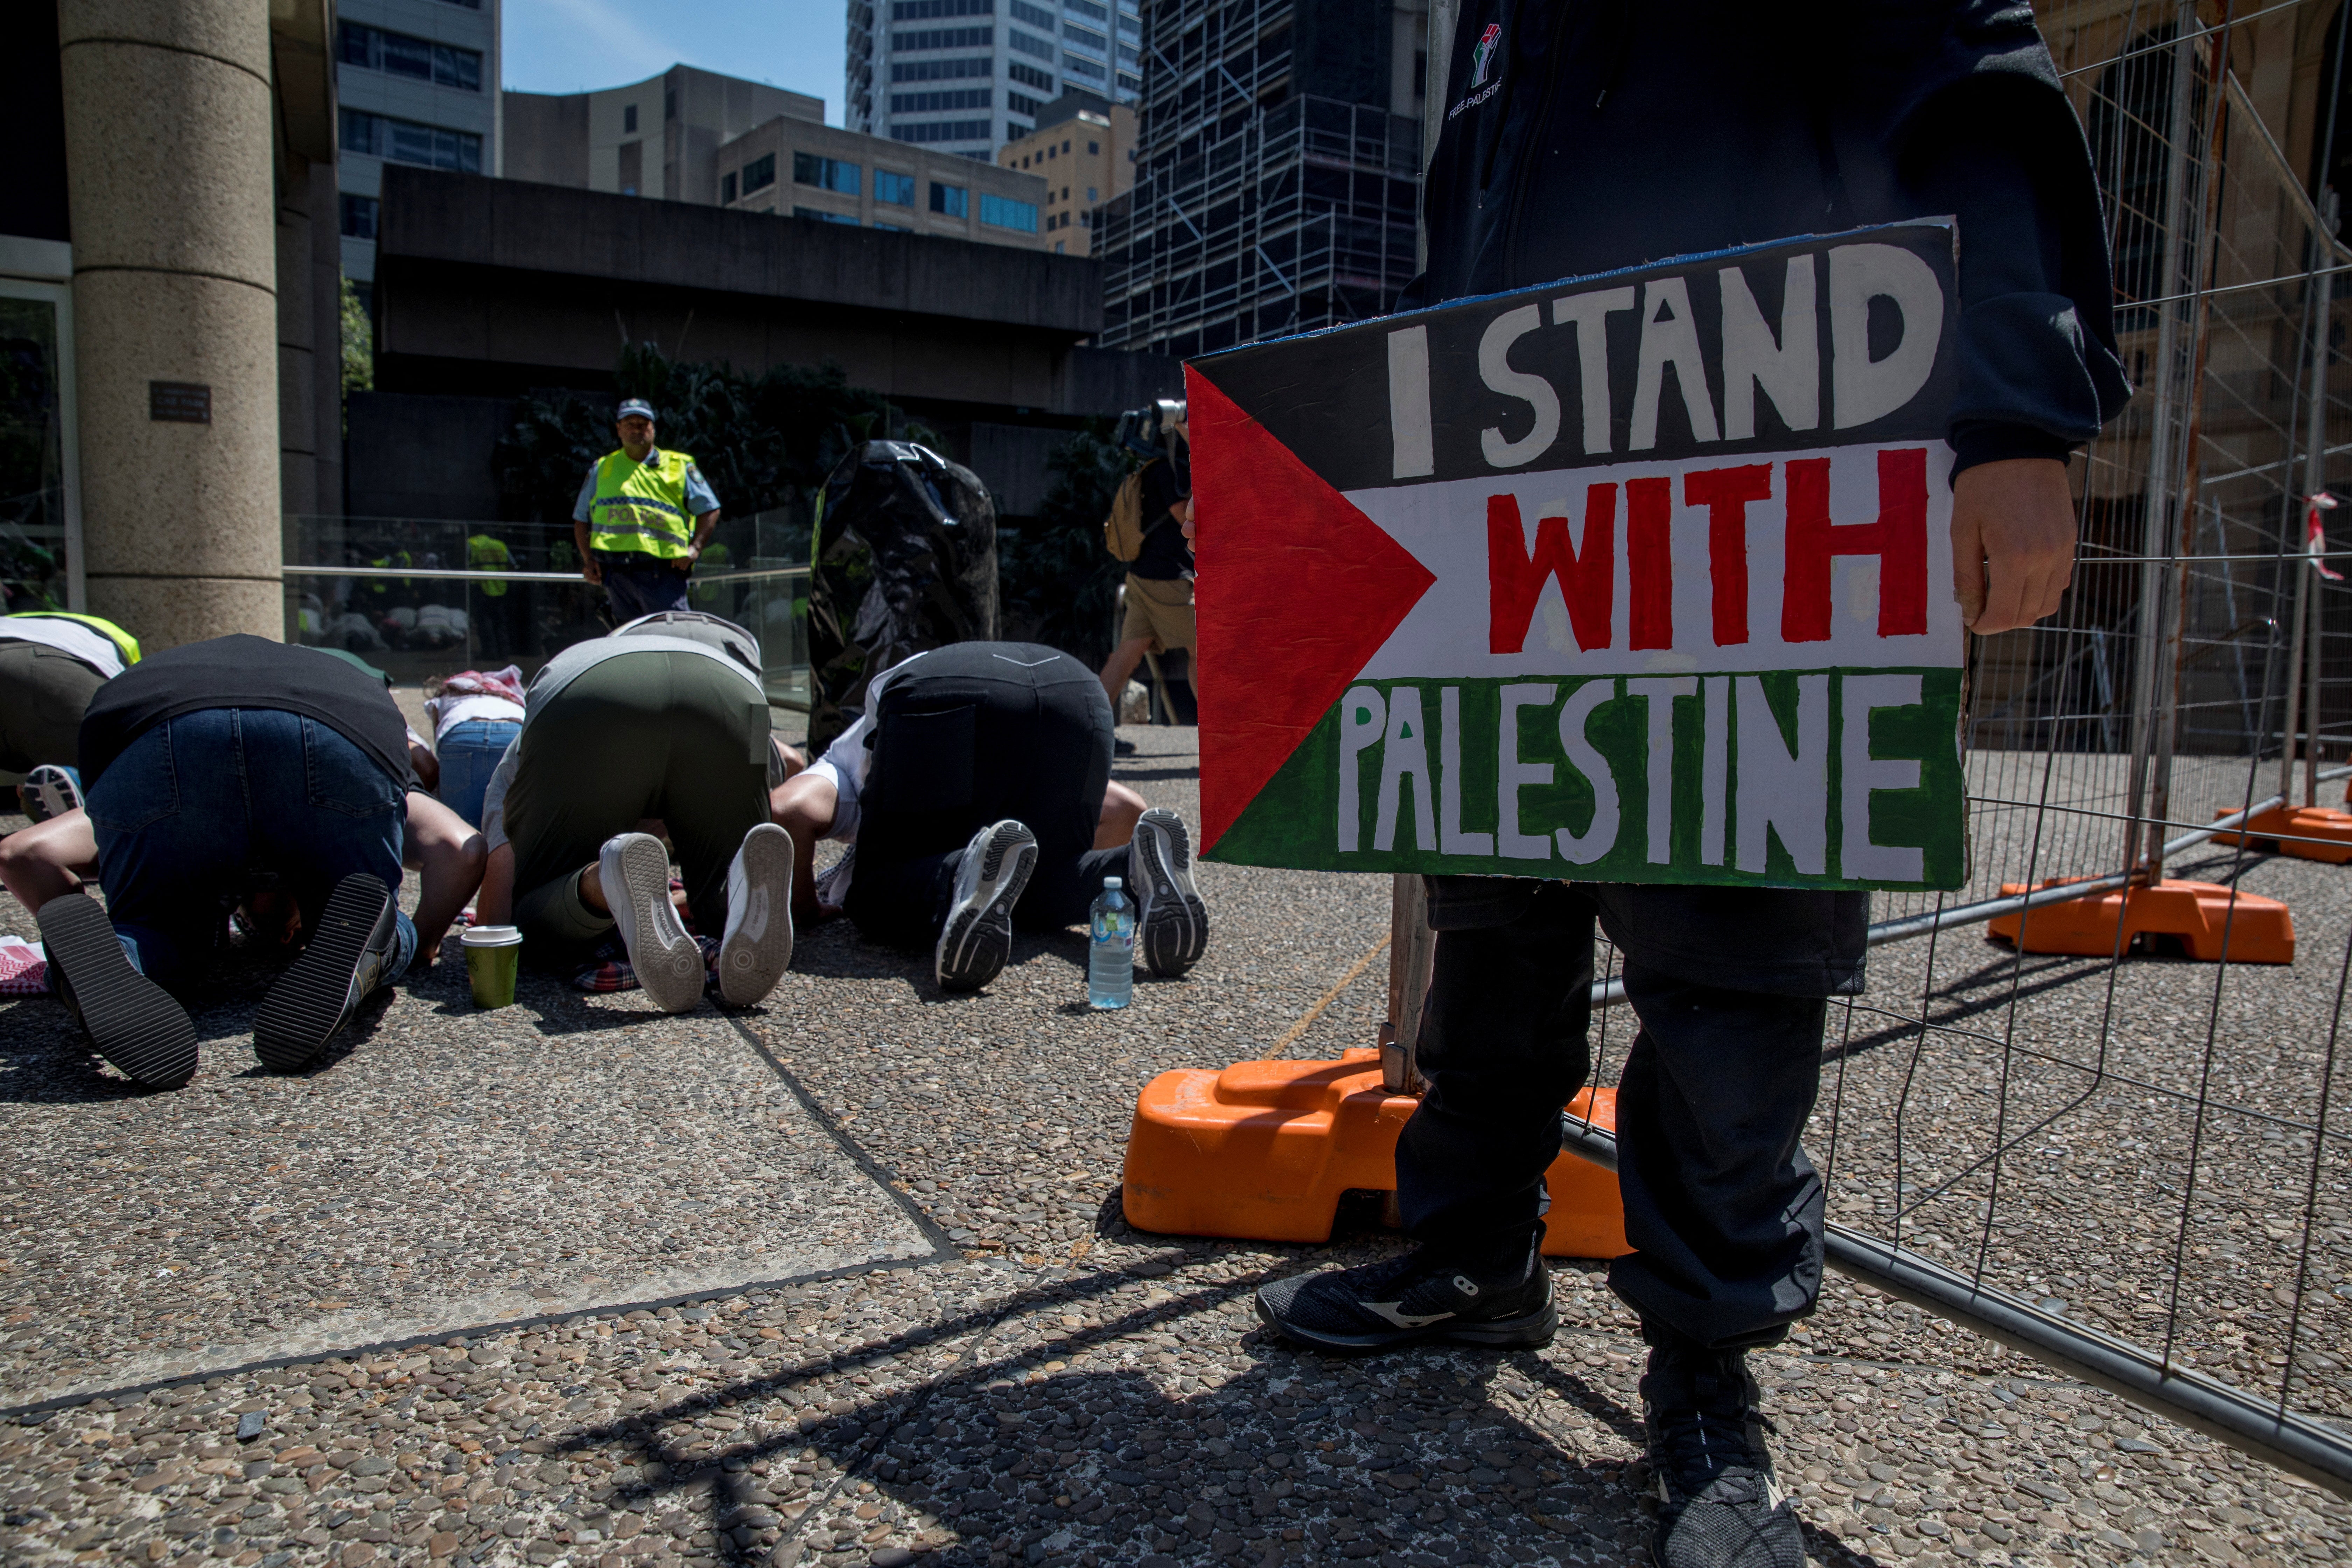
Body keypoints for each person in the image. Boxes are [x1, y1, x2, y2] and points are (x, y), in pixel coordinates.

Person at [1249, 8, 2131, 1568]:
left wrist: (2007, 409)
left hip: (1757, 485)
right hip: (1518, 509)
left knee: (1730, 960)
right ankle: (1466, 1252)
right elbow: (1462, 243)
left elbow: (1969, 81)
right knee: (1494, 915)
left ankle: (1702, 1375)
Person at [31, 636, 458, 1090]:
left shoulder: (168, 669)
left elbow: (24, 852)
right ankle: (376, 944)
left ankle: (118, 953)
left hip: (149, 729)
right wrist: (421, 948)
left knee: (155, 928)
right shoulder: (344, 676)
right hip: (341, 730)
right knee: (372, 910)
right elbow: (458, 846)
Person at [770, 640, 1208, 992]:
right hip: (1077, 689)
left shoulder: (839, 766)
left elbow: (786, 809)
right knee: (1036, 880)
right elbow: (1128, 810)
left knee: (873, 892)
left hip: (942, 690)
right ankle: (1133, 869)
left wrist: (806, 909)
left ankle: (959, 871)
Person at [472, 611, 794, 1013]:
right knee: (720, 892)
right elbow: (778, 774)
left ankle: (603, 883)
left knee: (535, 914)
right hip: (737, 693)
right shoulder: (727, 662)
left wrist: (497, 923)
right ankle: (742, 894)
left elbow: (497, 905)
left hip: (592, 692)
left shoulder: (539, 727)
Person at [572, 399, 723, 623]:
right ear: (619, 429)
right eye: (630, 424)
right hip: (616, 575)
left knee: (674, 641)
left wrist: (695, 548)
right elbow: (581, 519)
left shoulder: (678, 466)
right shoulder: (603, 468)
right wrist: (588, 560)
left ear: (653, 429)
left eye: (643, 424)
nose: (636, 430)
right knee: (629, 647)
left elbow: (710, 510)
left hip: (663, 574)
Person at [1097, 403, 1198, 714]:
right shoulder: (1167, 470)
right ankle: (1219, 733)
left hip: (1141, 578)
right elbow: (1185, 516)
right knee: (1205, 650)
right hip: (1168, 580)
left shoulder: (1146, 470)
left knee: (1126, 657)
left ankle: (1089, 727)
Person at [0, 609, 141, 820]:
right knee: (117, 800)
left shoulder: (18, 622)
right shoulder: (123, 653)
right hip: (54, 671)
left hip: (33, 658)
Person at [422, 666, 527, 827]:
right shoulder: (507, 694)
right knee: (509, 822)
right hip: (512, 733)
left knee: (461, 825)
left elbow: (439, 737)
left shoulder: (448, 694)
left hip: (462, 734)